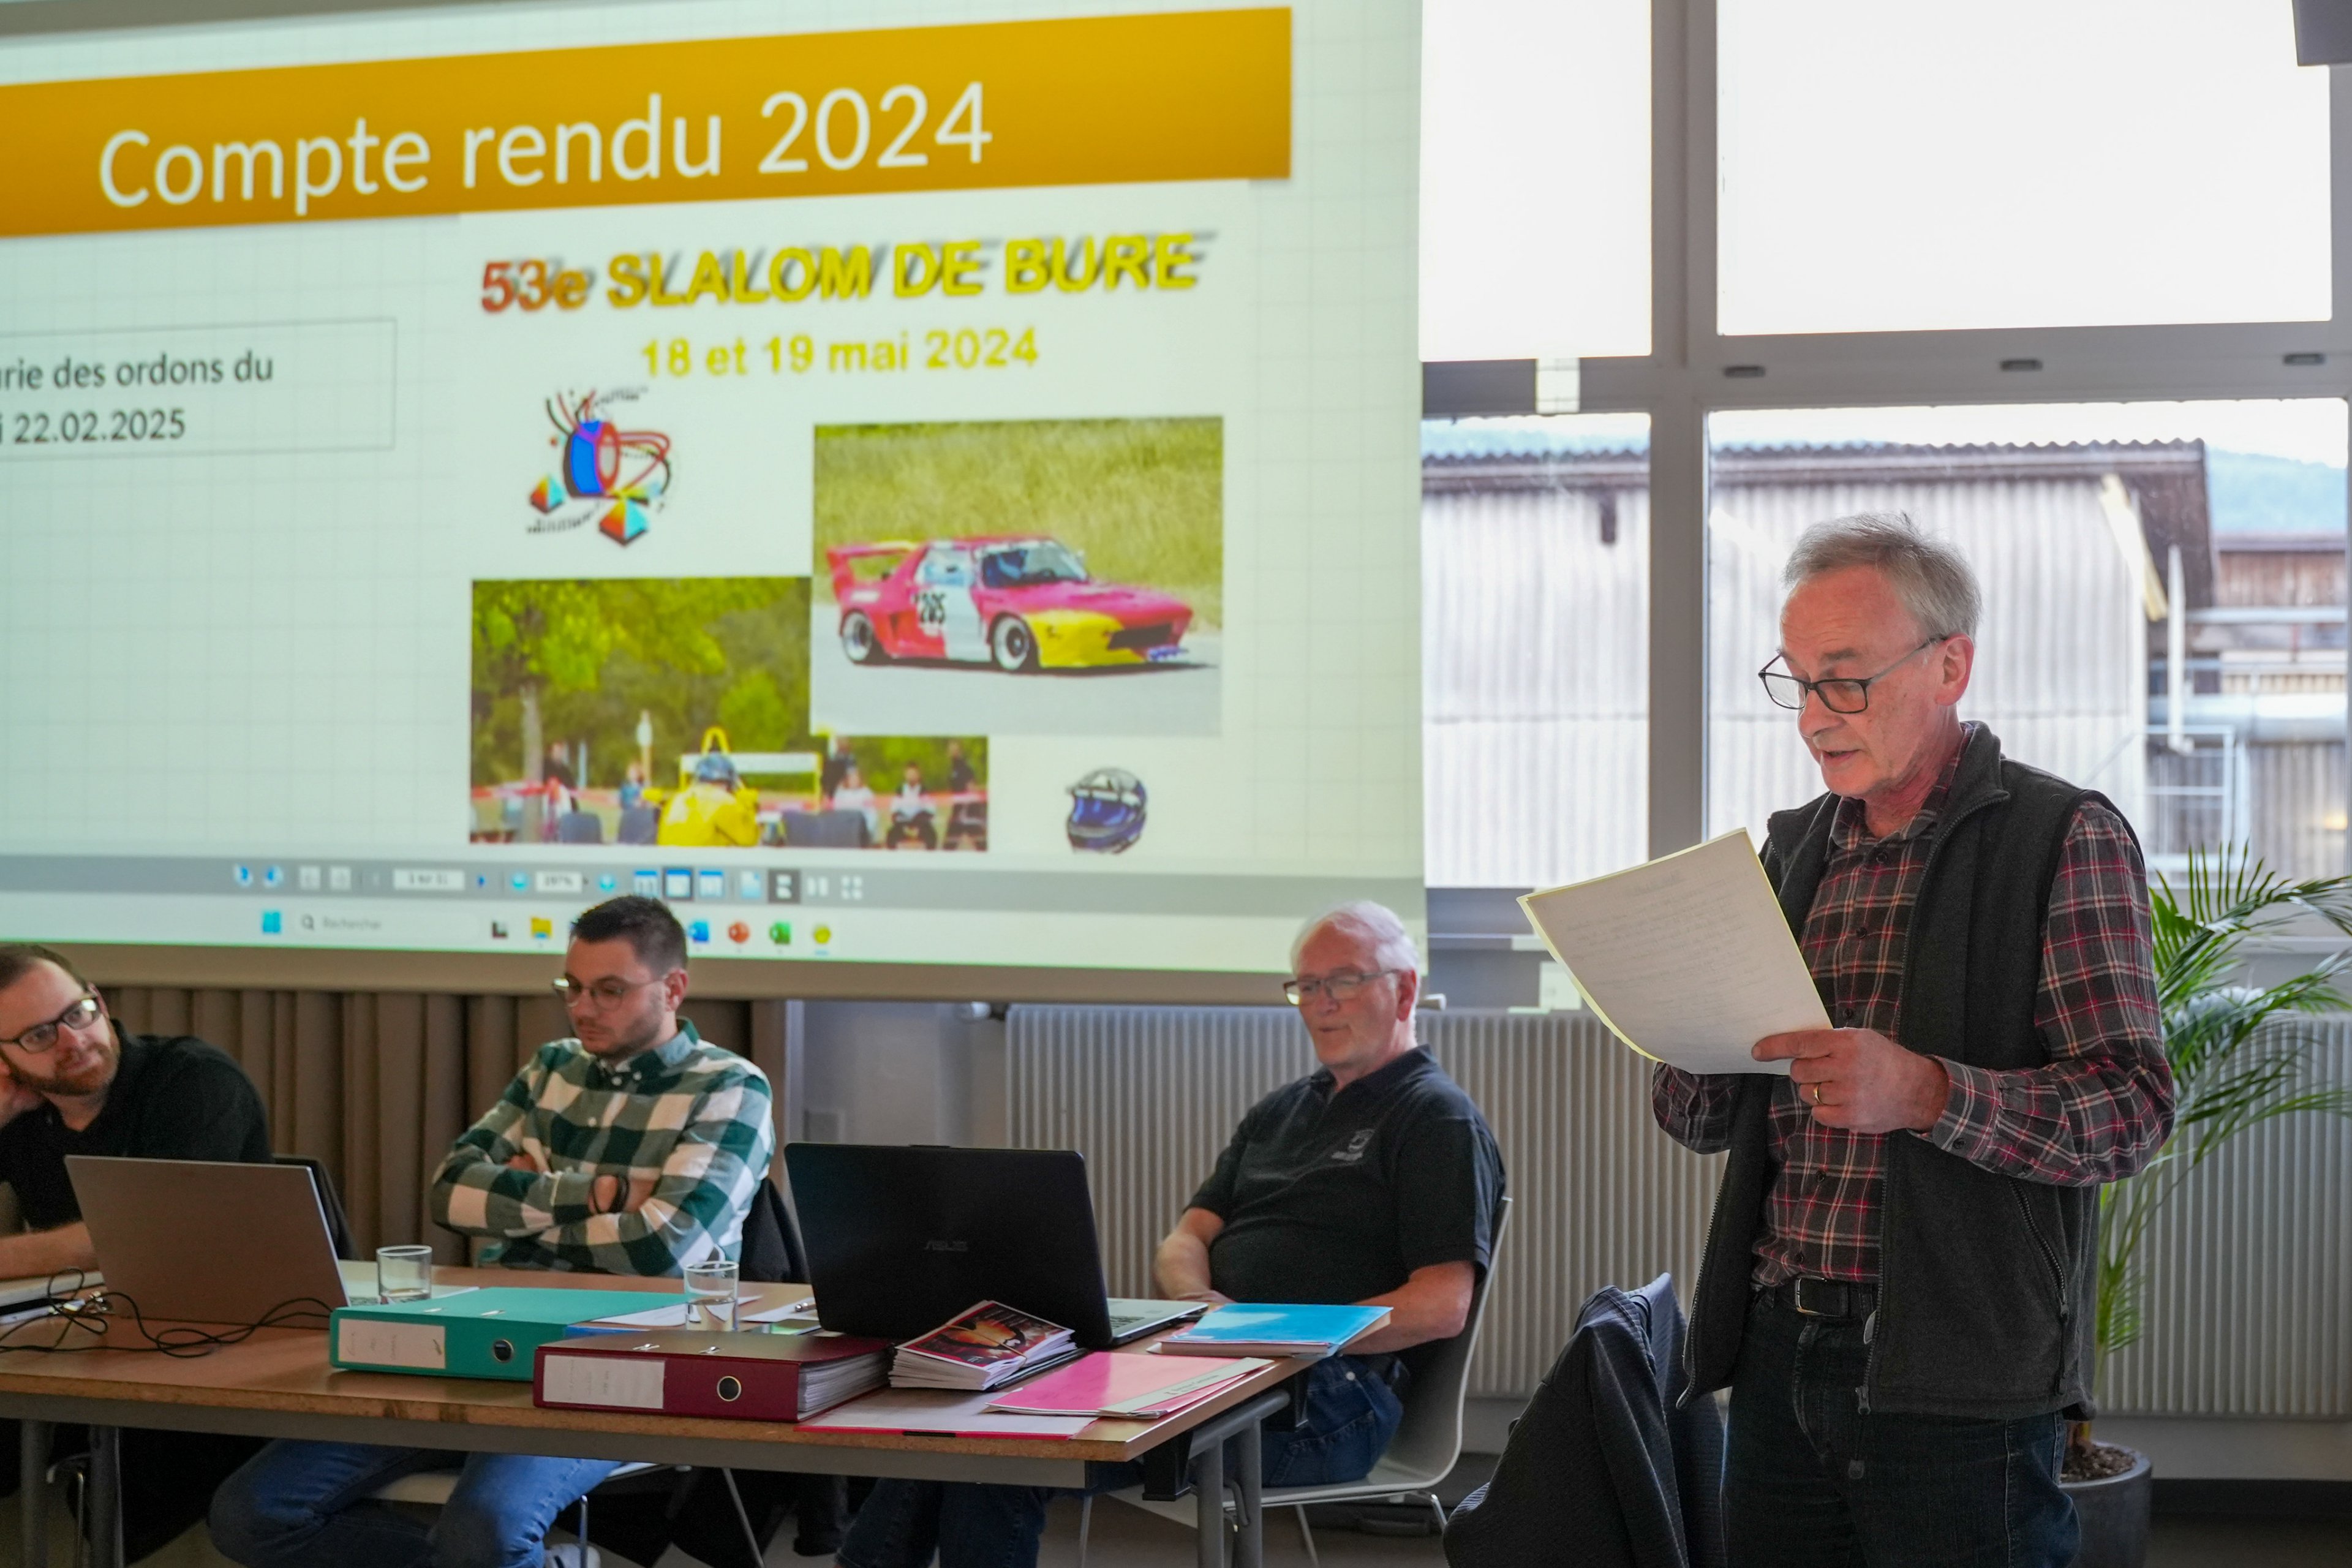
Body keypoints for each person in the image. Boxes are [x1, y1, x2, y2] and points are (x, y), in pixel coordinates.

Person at [1652, 514, 2176, 1568]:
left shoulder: (2062, 837)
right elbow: (1696, 1118)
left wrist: (1930, 1093)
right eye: (1798, 682)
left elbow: (2132, 1110)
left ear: (1950, 667)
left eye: (1846, 681)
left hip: (1961, 1375)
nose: (1814, 718)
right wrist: (1681, 1024)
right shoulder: (1790, 852)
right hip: (1776, 1346)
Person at [835, 901, 1505, 1568]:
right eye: (1307, 984)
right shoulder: (1281, 1110)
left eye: (1344, 981)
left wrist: (1275, 1335)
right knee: (963, 1425)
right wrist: (1201, 1304)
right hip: (1214, 1360)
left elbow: (1441, 1304)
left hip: (1329, 1399)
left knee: (1009, 1458)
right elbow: (1185, 1238)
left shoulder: (1435, 1118)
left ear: (1405, 990)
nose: (1321, 1003)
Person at [211, 897, 776, 1568]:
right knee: (252, 1513)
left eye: (609, 990)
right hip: (489, 1340)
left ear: (673, 988)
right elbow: (450, 1193)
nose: (583, 1008)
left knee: (480, 1533)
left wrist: (526, 1208)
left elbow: (660, 1247)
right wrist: (600, 1195)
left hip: (622, 1360)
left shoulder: (730, 1087)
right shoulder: (552, 1067)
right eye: (572, 987)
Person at [0, 944, 274, 1563]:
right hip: (86, 1342)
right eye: (39, 1035)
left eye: (78, 1012)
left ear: (98, 999)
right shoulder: (23, 1115)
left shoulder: (194, 1081)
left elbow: (151, 1233)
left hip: (225, 1348)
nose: (73, 1041)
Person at [884, 763, 938, 850]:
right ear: (905, 775)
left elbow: (931, 811)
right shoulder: (900, 791)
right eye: (909, 774)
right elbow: (894, 811)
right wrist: (904, 824)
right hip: (903, 823)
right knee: (891, 834)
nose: (911, 777)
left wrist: (918, 824)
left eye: (914, 774)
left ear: (919, 775)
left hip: (921, 824)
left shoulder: (924, 791)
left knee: (931, 835)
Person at [830, 764, 879, 845]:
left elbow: (871, 813)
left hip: (861, 829)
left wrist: (868, 829)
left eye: (856, 779)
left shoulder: (866, 793)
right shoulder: (840, 793)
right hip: (845, 827)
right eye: (852, 779)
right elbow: (837, 812)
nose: (854, 781)